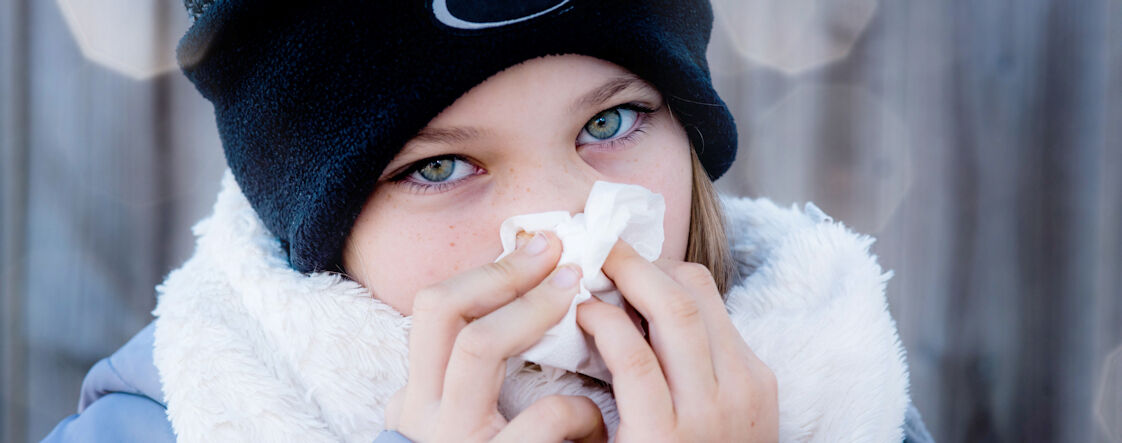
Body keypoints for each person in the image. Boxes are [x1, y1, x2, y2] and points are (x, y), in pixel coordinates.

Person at [45, 1, 934, 441]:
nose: (566, 218)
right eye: (438, 167)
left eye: (611, 121)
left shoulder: (839, 392)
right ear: (321, 232)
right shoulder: (169, 422)